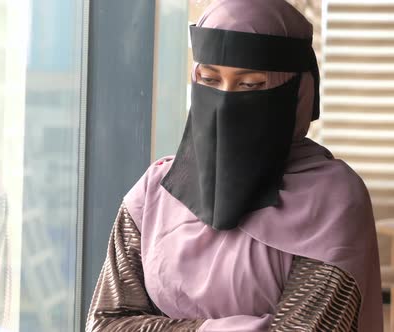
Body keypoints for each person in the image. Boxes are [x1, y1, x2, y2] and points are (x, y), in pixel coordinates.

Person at [85, 0, 383, 331]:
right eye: (210, 80)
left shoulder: (333, 199)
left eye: (250, 85)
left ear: (296, 91)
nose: (226, 102)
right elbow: (105, 323)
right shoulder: (155, 192)